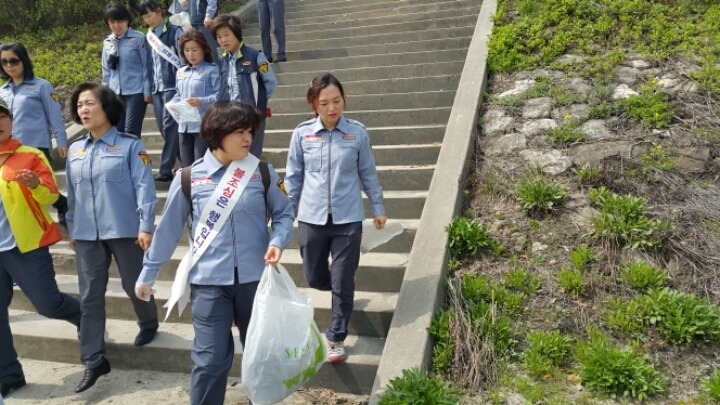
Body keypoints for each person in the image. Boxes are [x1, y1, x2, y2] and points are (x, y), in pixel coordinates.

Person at [136, 101, 294, 405]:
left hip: (255, 282)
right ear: (217, 134)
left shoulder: (262, 172)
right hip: (208, 284)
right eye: (239, 131)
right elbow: (168, 231)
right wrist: (148, 273)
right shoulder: (188, 177)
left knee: (261, 357)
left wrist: (277, 241)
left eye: (250, 131)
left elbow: (284, 214)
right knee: (210, 361)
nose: (248, 138)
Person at [285, 73, 387, 364]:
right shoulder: (302, 134)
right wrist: (285, 214)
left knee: (341, 282)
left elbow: (368, 173)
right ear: (313, 104)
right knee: (314, 276)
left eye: (337, 101)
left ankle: (336, 337)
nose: (332, 108)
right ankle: (344, 283)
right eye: (324, 103)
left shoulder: (357, 133)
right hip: (311, 218)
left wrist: (377, 207)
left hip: (348, 219)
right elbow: (293, 178)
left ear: (344, 100)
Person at [65, 83, 159, 393]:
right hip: (86, 233)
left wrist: (146, 226)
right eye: (79, 105)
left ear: (107, 107)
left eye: (89, 103)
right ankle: (93, 359)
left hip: (124, 228)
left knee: (135, 285)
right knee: (90, 295)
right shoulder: (75, 150)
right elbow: (73, 194)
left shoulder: (131, 146)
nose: (83, 110)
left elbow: (144, 188)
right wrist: (73, 228)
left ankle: (148, 322)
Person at [0, 98, 82, 398]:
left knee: (49, 304)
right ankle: (9, 374)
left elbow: (51, 197)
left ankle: (86, 317)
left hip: (25, 245)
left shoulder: (30, 155)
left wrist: (35, 184)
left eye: (2, 116)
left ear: (11, 119)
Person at [0, 42, 69, 227]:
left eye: (14, 61)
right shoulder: (3, 91)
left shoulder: (41, 86)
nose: (9, 66)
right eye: (4, 62)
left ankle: (61, 204)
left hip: (36, 147)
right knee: (19, 187)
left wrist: (62, 141)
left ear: (23, 60)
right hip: (10, 149)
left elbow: (54, 116)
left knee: (43, 185)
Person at [211, 14, 277, 158]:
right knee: (234, 157)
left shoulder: (255, 56)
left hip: (252, 116)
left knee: (251, 157)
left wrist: (259, 101)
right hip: (230, 118)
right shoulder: (222, 61)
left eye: (226, 35)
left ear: (236, 33)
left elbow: (270, 82)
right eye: (219, 37)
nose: (223, 40)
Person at [139, 0, 184, 182]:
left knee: (170, 127)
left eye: (149, 15)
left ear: (159, 12)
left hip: (172, 86)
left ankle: (166, 169)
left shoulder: (175, 32)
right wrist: (147, 89)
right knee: (164, 129)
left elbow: (183, 59)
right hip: (156, 89)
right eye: (144, 17)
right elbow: (146, 65)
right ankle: (188, 162)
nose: (148, 20)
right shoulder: (148, 37)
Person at [101, 2, 151, 137]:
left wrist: (147, 90)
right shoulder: (107, 42)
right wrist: (104, 94)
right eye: (112, 22)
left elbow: (147, 66)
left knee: (131, 131)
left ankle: (135, 151)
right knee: (117, 131)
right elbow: (106, 71)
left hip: (136, 92)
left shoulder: (138, 38)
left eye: (119, 21)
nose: (116, 26)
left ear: (127, 20)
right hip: (115, 93)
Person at [172, 28, 220, 166]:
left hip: (203, 126)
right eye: (187, 50)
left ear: (203, 49)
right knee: (187, 168)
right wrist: (173, 103)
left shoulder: (212, 70)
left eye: (194, 50)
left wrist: (201, 101)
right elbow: (178, 93)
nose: (190, 54)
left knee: (200, 166)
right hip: (184, 126)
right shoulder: (181, 72)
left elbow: (219, 96)